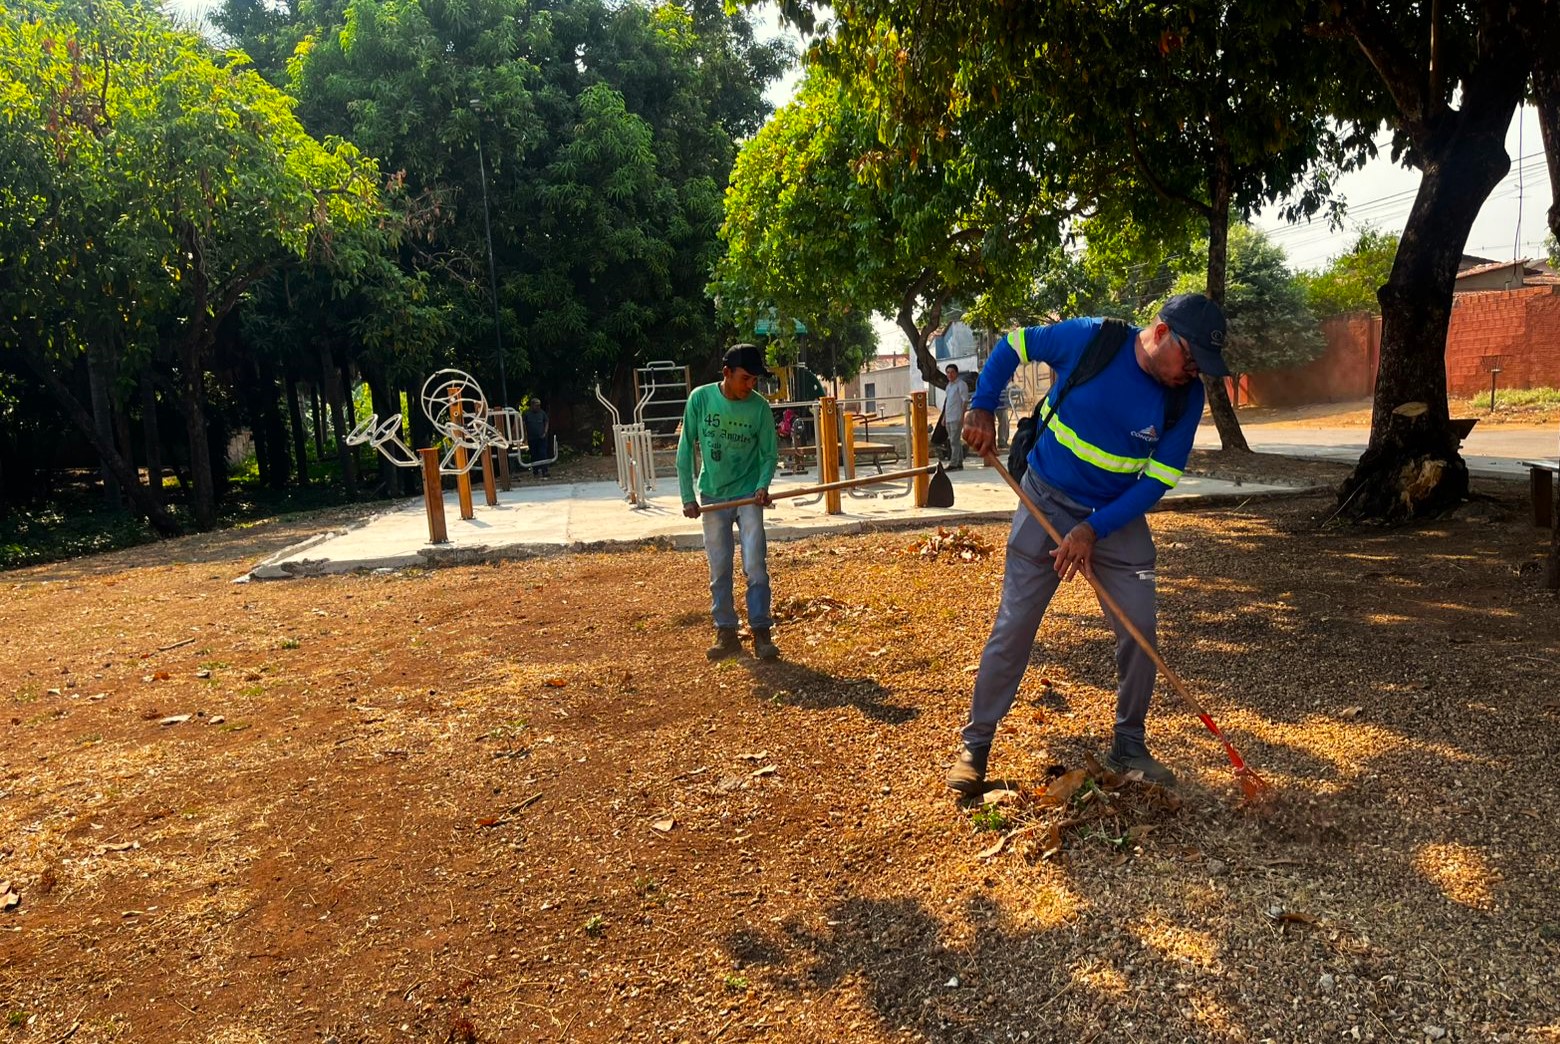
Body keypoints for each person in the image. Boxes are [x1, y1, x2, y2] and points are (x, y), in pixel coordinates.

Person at [945, 293, 1229, 794]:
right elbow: (1013, 345)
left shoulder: (1185, 397)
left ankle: (1128, 742)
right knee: (1014, 626)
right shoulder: (1092, 338)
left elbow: (1156, 480)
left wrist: (1092, 530)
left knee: (1140, 625)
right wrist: (982, 404)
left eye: (1201, 367)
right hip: (1046, 498)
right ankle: (977, 744)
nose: (1193, 372)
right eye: (1190, 358)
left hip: (1114, 517)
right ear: (1162, 333)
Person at [677, 344, 782, 661]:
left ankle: (761, 631)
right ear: (726, 373)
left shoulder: (759, 408)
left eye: (754, 380)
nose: (751, 385)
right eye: (746, 378)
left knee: (755, 565)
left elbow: (769, 455)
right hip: (713, 495)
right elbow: (685, 450)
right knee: (720, 568)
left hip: (750, 494)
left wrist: (763, 485)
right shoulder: (701, 399)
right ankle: (726, 631)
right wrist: (687, 496)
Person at [941, 364, 970, 469]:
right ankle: (959, 462)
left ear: (956, 373)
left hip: (956, 417)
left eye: (952, 372)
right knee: (954, 440)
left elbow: (964, 401)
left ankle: (953, 463)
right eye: (948, 372)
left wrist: (962, 416)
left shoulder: (961, 385)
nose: (950, 374)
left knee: (954, 440)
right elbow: (947, 402)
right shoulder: (949, 386)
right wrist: (944, 417)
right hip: (949, 417)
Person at [523, 398, 551, 478]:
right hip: (532, 438)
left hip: (541, 438)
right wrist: (525, 436)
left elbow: (546, 422)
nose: (538, 407)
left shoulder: (542, 413)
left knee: (543, 453)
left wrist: (545, 432)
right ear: (532, 405)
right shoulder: (527, 414)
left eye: (539, 405)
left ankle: (545, 471)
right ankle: (535, 471)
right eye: (536, 405)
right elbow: (523, 424)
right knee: (534, 454)